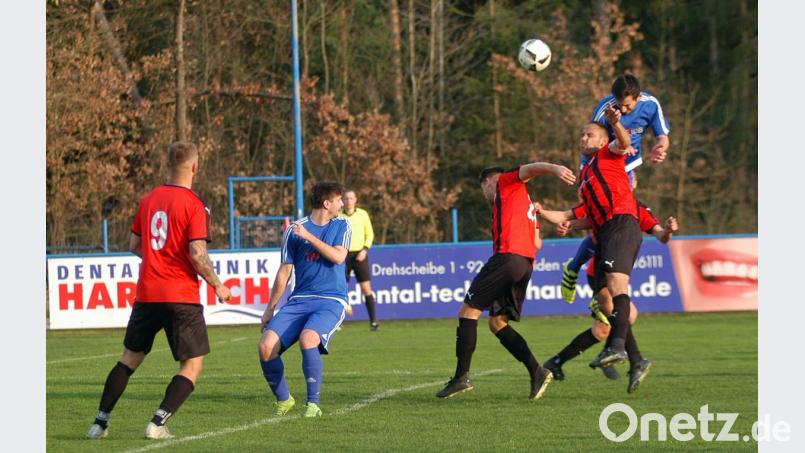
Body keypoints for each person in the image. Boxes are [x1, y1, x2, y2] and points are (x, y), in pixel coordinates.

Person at [86, 142, 232, 440]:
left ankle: (99, 423)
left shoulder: (148, 200)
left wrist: (158, 258)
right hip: (181, 296)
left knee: (129, 358)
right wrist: (217, 284)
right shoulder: (194, 204)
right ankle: (157, 422)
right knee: (192, 364)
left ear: (167, 165)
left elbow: (134, 246)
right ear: (194, 167)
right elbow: (197, 252)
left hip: (148, 293)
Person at [435, 161, 576, 400]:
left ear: (489, 182)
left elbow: (529, 169)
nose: (486, 195)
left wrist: (554, 168)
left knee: (468, 311)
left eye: (484, 190)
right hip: (524, 265)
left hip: (508, 258)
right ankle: (537, 371)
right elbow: (538, 243)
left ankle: (460, 377)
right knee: (497, 323)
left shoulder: (505, 183)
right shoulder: (526, 205)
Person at [538, 111, 646, 380]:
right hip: (608, 232)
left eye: (590, 134)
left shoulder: (608, 155)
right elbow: (571, 215)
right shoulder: (586, 175)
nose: (584, 138)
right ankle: (633, 359)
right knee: (613, 297)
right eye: (582, 135)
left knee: (617, 291)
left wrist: (615, 123)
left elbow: (623, 142)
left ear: (602, 141)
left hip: (620, 224)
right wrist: (540, 211)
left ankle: (619, 349)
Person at [539, 200, 678, 392]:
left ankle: (557, 362)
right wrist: (548, 214)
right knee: (623, 316)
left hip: (615, 271)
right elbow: (574, 218)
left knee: (604, 329)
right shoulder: (601, 199)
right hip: (598, 272)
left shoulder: (639, 209)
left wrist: (669, 231)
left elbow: (661, 236)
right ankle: (628, 356)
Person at [561, 74, 671, 304]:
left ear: (639, 97)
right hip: (604, 167)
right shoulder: (605, 108)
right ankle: (581, 272)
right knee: (605, 219)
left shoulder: (651, 104)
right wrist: (584, 178)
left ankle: (592, 279)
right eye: (619, 103)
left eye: (628, 105)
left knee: (616, 221)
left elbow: (663, 136)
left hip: (628, 166)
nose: (623, 108)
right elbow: (592, 141)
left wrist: (660, 147)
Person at [257, 182, 352, 418]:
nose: (343, 203)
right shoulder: (294, 230)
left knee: (308, 338)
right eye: (339, 199)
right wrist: (270, 309)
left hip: (331, 300)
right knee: (266, 346)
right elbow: (284, 271)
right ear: (326, 203)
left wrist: (309, 237)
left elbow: (338, 257)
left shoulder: (342, 225)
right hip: (299, 301)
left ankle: (313, 404)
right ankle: (284, 399)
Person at [339, 189, 379, 330]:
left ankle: (373, 322)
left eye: (351, 198)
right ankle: (337, 322)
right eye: (346, 198)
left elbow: (370, 234)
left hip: (360, 255)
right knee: (340, 289)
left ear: (355, 200)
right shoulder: (337, 216)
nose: (349, 201)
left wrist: (365, 249)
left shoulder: (362, 214)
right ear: (342, 200)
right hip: (343, 255)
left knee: (366, 288)